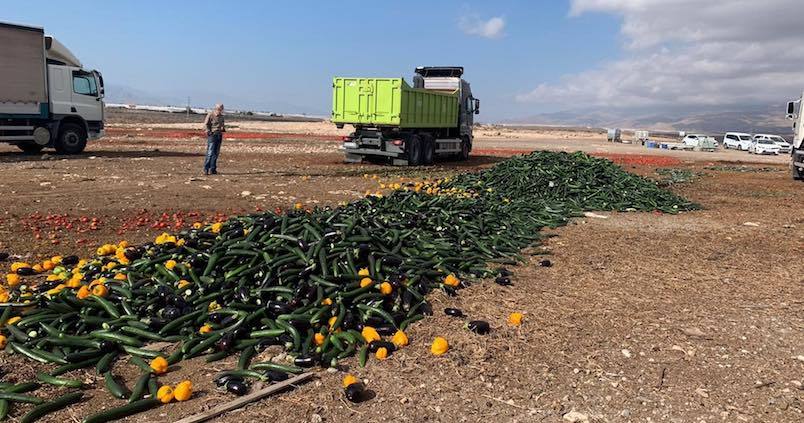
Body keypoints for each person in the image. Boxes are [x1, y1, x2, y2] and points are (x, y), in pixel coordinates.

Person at [203, 104, 225, 175]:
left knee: (216, 153)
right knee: (210, 152)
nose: (220, 110)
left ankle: (213, 169)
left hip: (219, 135)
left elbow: (222, 125)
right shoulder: (210, 115)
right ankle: (206, 169)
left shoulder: (222, 117)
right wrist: (208, 132)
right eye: (220, 109)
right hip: (212, 135)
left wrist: (223, 129)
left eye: (221, 109)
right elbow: (206, 124)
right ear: (216, 108)